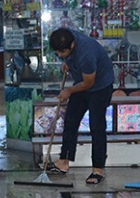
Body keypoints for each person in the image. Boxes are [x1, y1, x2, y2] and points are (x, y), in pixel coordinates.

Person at [48, 28, 114, 184]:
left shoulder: (86, 54)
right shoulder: (66, 35)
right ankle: (63, 162)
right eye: (57, 52)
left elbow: (89, 83)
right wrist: (67, 61)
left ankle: (98, 169)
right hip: (81, 84)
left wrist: (69, 91)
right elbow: (69, 57)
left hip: (100, 86)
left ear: (72, 45)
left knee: (96, 126)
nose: (59, 55)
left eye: (62, 52)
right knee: (70, 121)